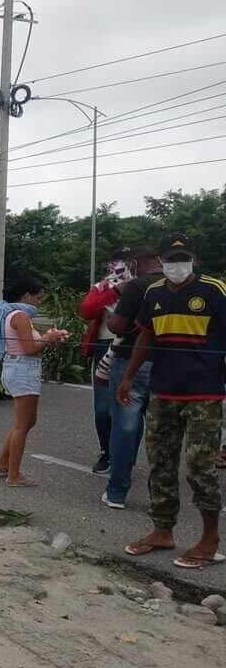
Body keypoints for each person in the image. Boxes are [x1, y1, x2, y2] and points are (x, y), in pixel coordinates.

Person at [118, 233, 226, 568]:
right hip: (163, 391)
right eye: (171, 259)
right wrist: (128, 377)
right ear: (161, 262)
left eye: (183, 258)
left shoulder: (215, 290)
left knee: (199, 467)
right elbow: (146, 336)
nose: (177, 265)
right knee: (160, 462)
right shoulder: (153, 292)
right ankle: (162, 530)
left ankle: (210, 539)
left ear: (193, 259)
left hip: (204, 393)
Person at [0, 275, 67, 487]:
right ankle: (14, 475)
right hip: (23, 369)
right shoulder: (21, 316)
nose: (39, 302)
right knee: (23, 425)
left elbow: (31, 343)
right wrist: (47, 339)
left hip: (20, 368)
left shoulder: (13, 314)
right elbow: (29, 348)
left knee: (24, 422)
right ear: (26, 295)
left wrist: (48, 339)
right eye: (38, 297)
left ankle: (2, 463)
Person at [102, 245, 163, 509]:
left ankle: (117, 493)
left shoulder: (137, 286)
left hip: (131, 362)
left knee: (125, 428)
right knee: (163, 431)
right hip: (169, 364)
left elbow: (115, 325)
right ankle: (161, 498)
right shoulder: (178, 285)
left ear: (136, 264)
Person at [79, 249, 134, 473]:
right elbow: (86, 310)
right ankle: (106, 452)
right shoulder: (102, 287)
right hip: (104, 348)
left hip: (133, 349)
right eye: (115, 263)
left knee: (130, 408)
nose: (119, 268)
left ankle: (126, 456)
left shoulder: (143, 286)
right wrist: (115, 291)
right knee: (103, 408)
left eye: (125, 263)